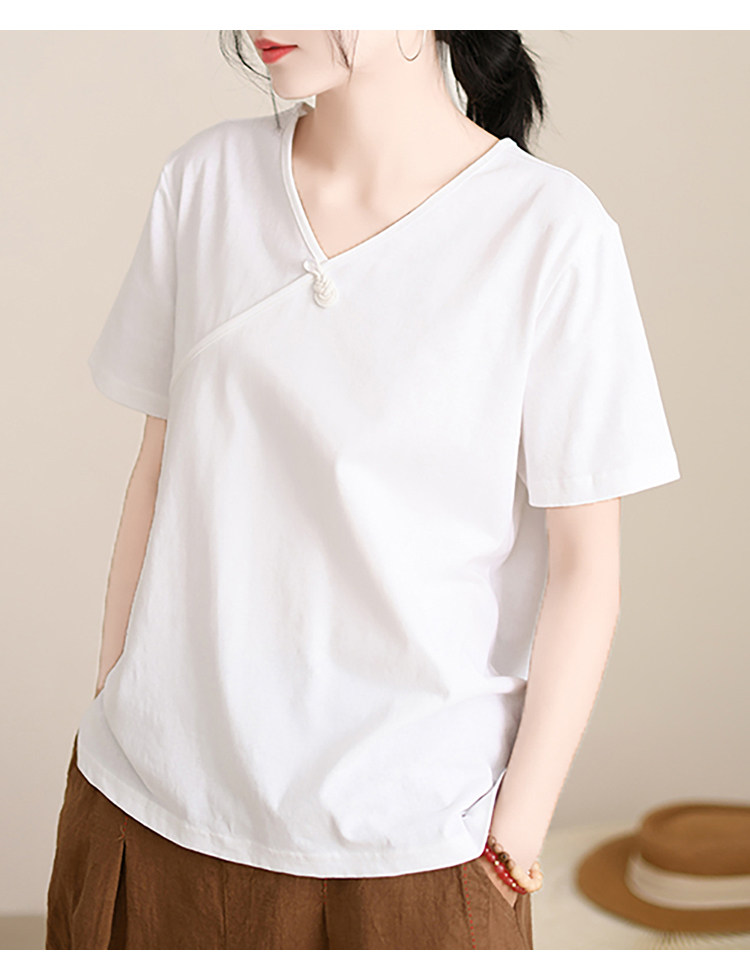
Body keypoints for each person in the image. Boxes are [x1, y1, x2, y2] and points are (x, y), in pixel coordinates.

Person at [45, 30, 681, 950]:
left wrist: (513, 839)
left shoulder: (550, 232)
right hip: (146, 812)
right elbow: (158, 468)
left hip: (410, 851)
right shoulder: (206, 182)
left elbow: (588, 569)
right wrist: (113, 694)